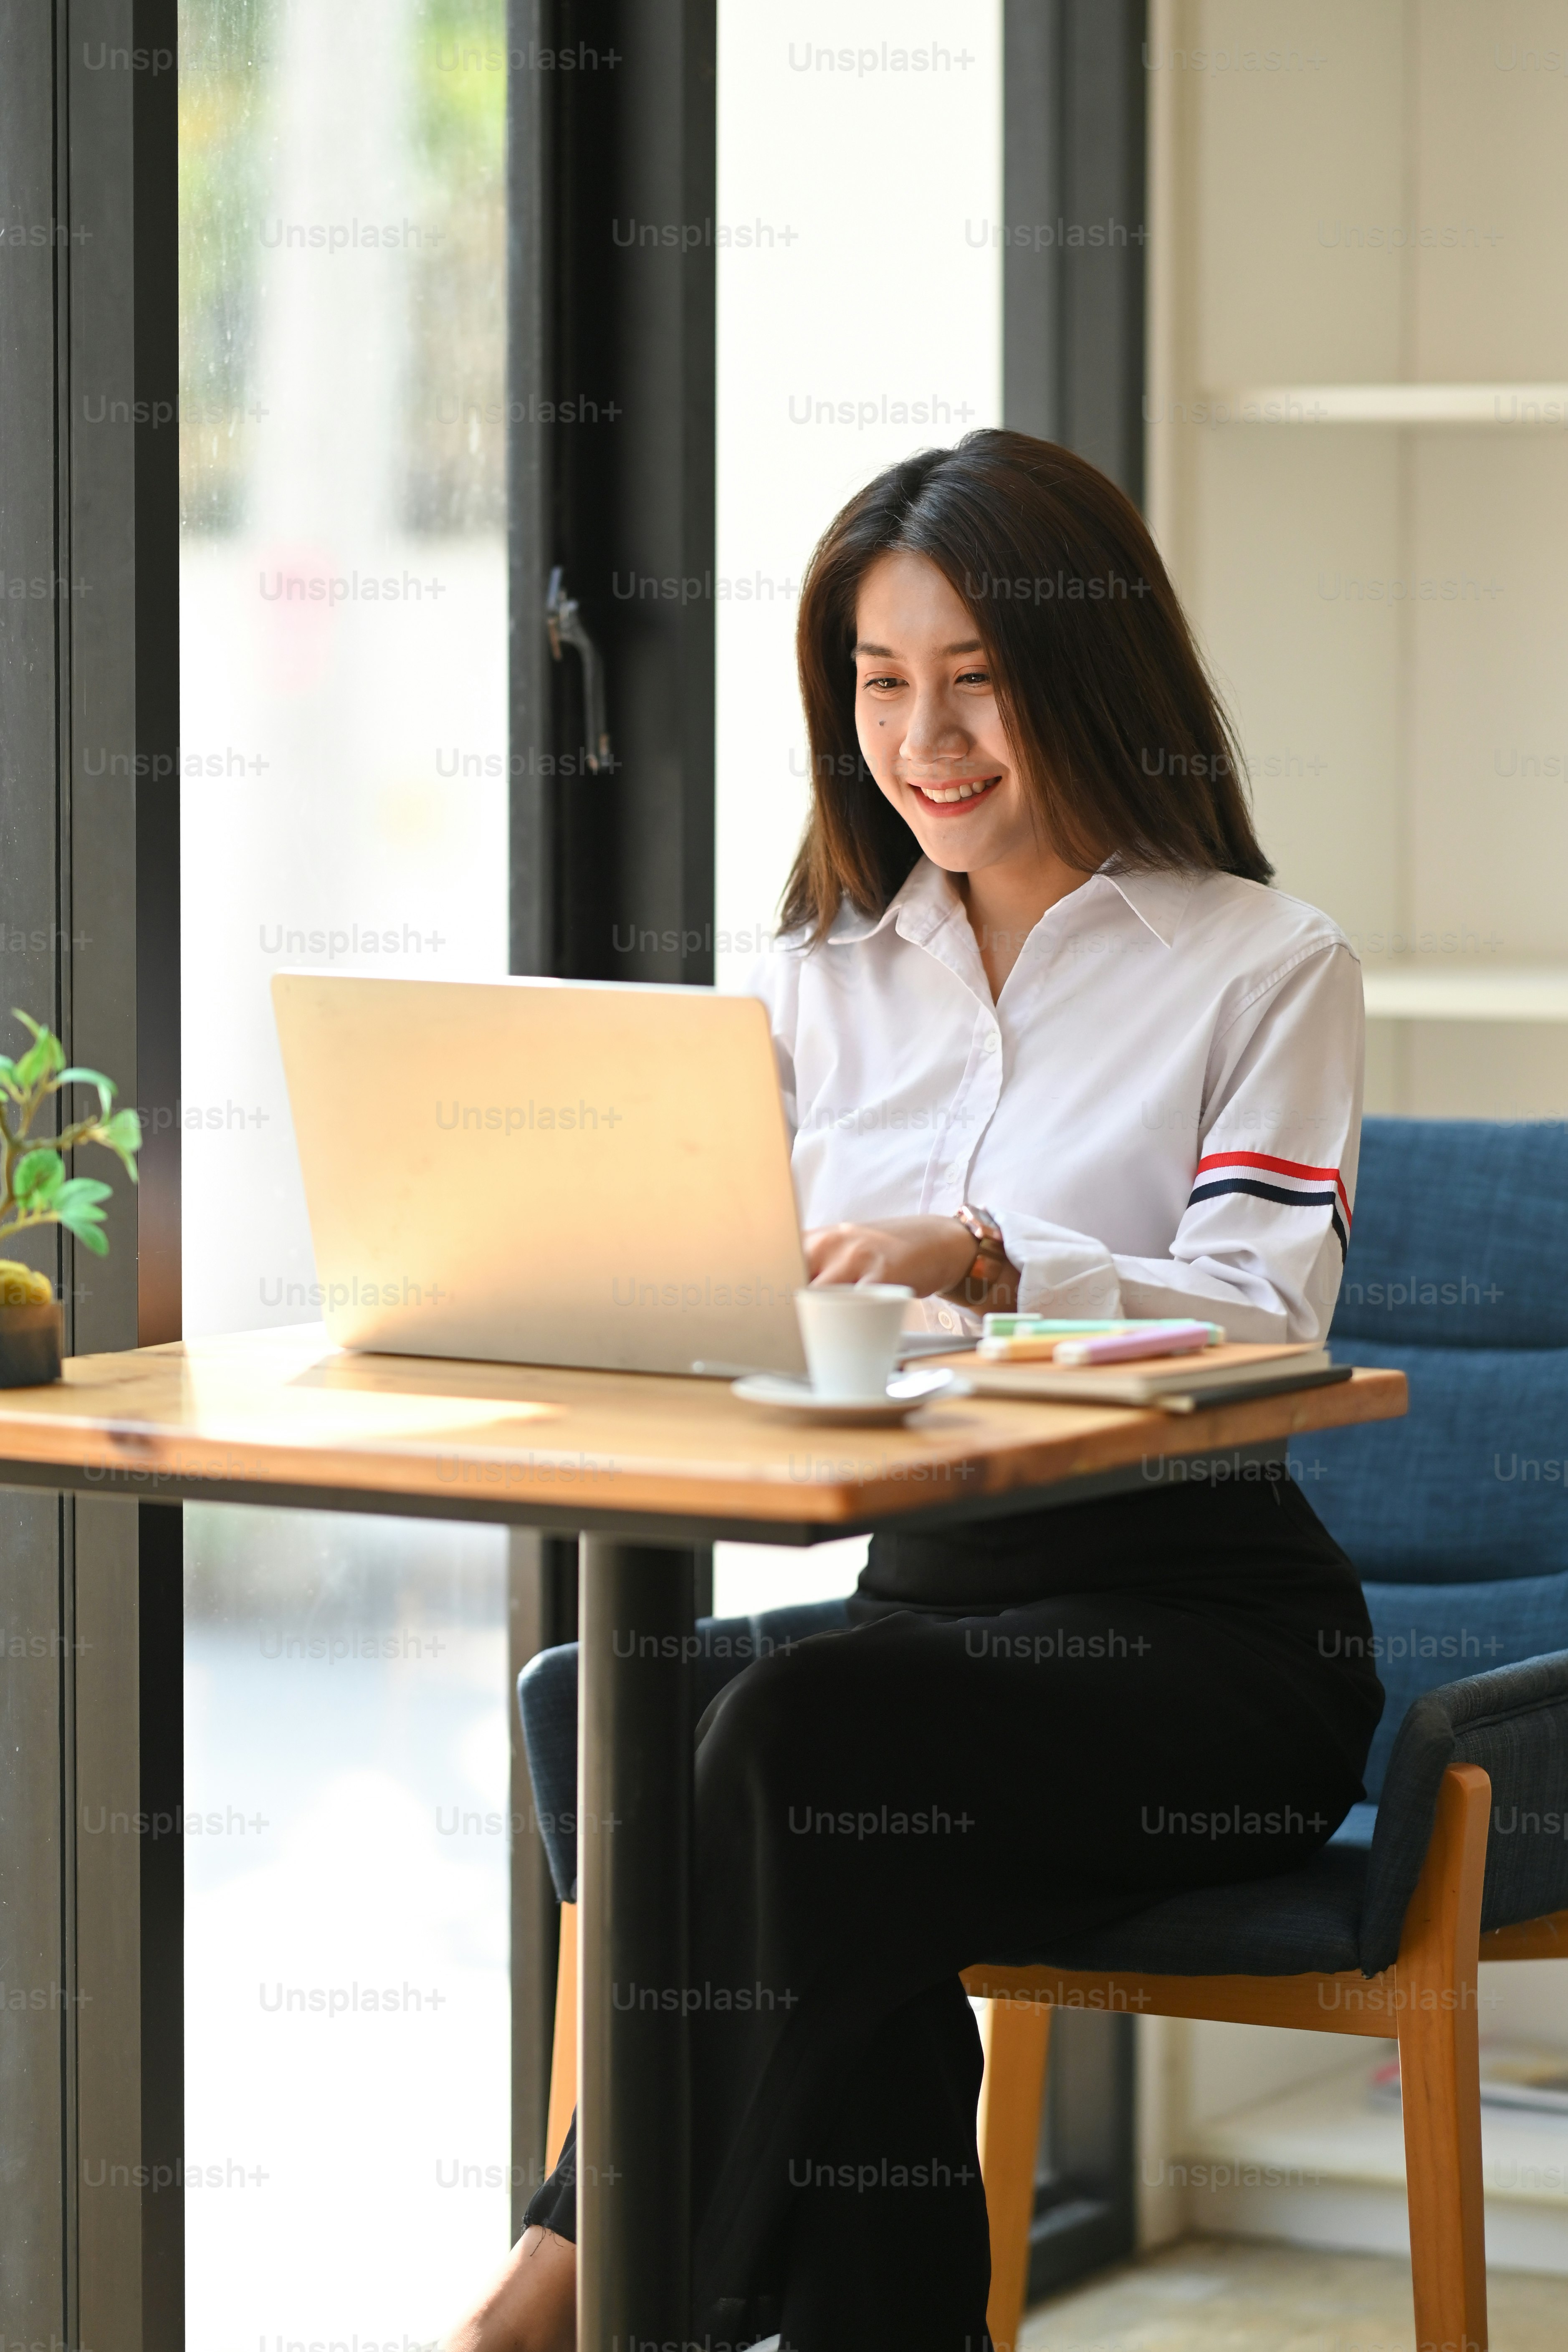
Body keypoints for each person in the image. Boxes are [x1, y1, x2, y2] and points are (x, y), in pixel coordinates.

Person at [444, 430, 1383, 2352]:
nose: (926, 735)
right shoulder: (814, 982)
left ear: (1091, 671)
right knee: (624, 1713)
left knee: (794, 1740)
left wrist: (990, 1252)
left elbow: (1271, 1320)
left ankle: (568, 2297)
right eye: (882, 682)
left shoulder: (1263, 964)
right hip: (926, 1622)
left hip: (1208, 1638)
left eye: (977, 677)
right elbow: (736, 1302)